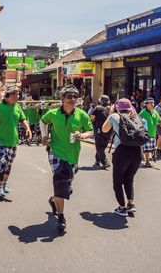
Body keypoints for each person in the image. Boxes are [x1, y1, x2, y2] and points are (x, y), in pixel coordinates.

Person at [40, 85, 93, 233]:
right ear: (62, 99)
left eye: (75, 96)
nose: (73, 99)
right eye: (69, 96)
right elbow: (43, 122)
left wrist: (83, 135)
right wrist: (44, 136)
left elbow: (90, 130)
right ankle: (61, 217)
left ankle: (53, 200)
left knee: (66, 187)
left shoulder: (82, 115)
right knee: (60, 181)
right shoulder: (53, 113)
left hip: (73, 155)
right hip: (55, 153)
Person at [0, 85, 31, 199]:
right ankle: (0, 188)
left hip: (13, 141)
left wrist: (27, 128)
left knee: (8, 164)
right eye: (17, 94)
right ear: (10, 95)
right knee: (0, 163)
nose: (18, 96)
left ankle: (4, 183)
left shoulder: (17, 107)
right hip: (0, 140)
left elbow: (22, 119)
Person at [102, 98, 146, 217]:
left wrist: (111, 114)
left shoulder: (115, 116)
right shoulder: (137, 117)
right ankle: (131, 204)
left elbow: (104, 129)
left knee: (117, 181)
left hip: (122, 150)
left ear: (117, 107)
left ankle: (122, 207)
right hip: (138, 151)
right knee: (129, 178)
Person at [140, 98, 161, 167]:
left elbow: (160, 121)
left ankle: (152, 152)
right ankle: (147, 162)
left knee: (152, 148)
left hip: (153, 134)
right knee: (147, 149)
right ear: (146, 104)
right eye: (151, 103)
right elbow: (138, 123)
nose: (152, 104)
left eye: (153, 103)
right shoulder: (142, 113)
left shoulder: (155, 112)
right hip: (146, 134)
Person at [89, 95, 112, 169]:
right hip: (109, 130)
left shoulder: (98, 108)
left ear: (100, 101)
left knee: (99, 147)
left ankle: (105, 162)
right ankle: (97, 160)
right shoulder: (111, 109)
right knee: (102, 146)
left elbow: (91, 117)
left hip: (99, 130)